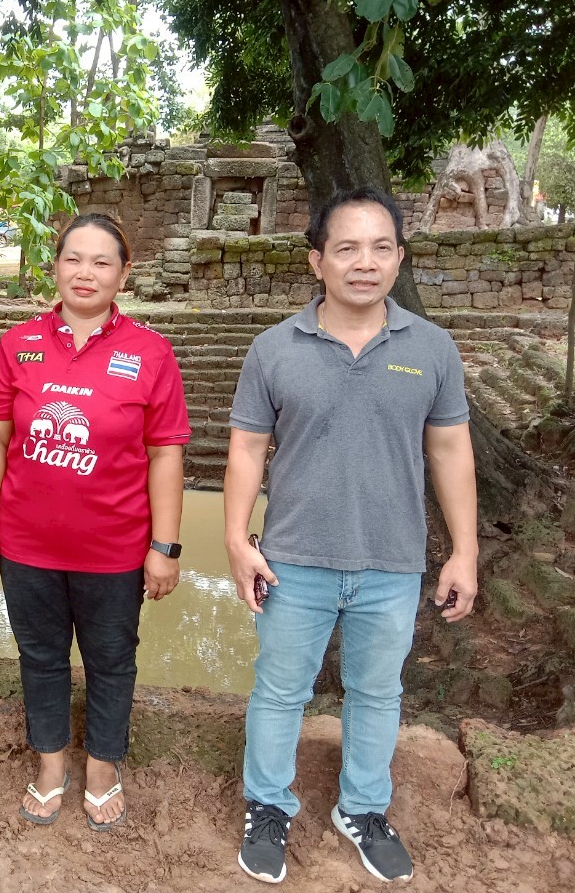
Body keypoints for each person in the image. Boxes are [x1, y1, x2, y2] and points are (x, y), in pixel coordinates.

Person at [224, 187, 478, 885]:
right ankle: (268, 805)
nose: (363, 263)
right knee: (279, 691)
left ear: (399, 257)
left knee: (377, 692)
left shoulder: (431, 349)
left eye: (379, 247)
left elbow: (451, 450)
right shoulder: (275, 349)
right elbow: (247, 450)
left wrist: (465, 551)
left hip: (392, 561)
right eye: (346, 248)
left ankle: (363, 808)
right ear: (318, 260)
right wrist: (238, 539)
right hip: (294, 559)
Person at [0, 212, 190, 830]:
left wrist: (164, 545)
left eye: (101, 262)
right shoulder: (19, 345)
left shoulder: (150, 353)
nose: (85, 272)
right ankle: (49, 765)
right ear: (55, 266)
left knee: (111, 660)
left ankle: (101, 767)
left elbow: (166, 451)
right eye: (73, 259)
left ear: (123, 273)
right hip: (27, 545)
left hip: (116, 551)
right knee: (39, 656)